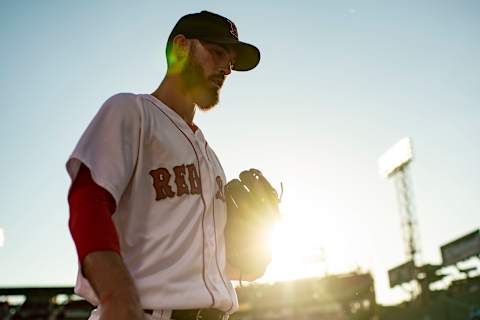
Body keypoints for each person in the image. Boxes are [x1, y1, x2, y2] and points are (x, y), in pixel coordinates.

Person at [66, 10, 263, 320]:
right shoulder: (132, 111)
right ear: (181, 47)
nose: (226, 68)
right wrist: (117, 297)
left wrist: (257, 249)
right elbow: (87, 203)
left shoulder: (212, 160)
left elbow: (224, 266)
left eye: (231, 62)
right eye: (216, 52)